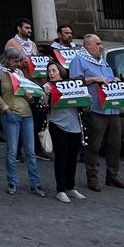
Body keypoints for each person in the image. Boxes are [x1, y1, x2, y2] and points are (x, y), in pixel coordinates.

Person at [71, 33, 124, 191]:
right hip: (95, 109)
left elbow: (108, 79)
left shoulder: (103, 61)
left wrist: (115, 81)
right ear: (87, 45)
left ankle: (112, 175)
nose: (101, 46)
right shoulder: (79, 60)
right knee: (94, 145)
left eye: (100, 44)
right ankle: (92, 176)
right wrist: (93, 79)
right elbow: (74, 83)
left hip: (112, 108)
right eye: (97, 44)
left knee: (114, 144)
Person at [0, 46, 43, 196]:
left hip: (27, 114)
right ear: (7, 60)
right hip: (10, 114)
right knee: (12, 151)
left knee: (30, 152)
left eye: (19, 61)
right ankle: (12, 183)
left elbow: (26, 90)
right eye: (15, 61)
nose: (18, 64)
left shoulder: (19, 73)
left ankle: (36, 184)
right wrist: (5, 108)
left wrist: (31, 97)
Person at [44, 59, 85, 203]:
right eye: (49, 71)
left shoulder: (71, 84)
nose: (51, 74)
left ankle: (71, 187)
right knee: (61, 157)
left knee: (73, 157)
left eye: (54, 70)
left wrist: (86, 99)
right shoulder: (48, 86)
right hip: (57, 125)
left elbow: (82, 105)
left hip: (74, 126)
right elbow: (43, 105)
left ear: (60, 72)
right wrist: (46, 94)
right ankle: (60, 190)